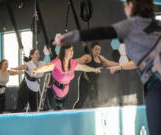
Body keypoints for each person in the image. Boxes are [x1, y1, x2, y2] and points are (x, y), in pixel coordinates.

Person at [53, 0, 161, 134]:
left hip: (155, 86)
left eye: (125, 6)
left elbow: (100, 32)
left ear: (131, 5)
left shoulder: (131, 25)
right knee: (82, 101)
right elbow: (139, 62)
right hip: (88, 81)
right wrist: (120, 67)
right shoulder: (157, 25)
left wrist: (67, 37)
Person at [30, 43, 101, 110]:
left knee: (64, 114)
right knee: (52, 115)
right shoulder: (57, 62)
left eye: (72, 50)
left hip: (65, 94)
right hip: (53, 93)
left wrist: (94, 69)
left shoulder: (72, 63)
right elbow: (47, 67)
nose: (72, 52)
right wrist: (36, 71)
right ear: (64, 51)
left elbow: (83, 67)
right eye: (69, 50)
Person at [74, 40, 119, 108]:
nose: (98, 51)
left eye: (99, 49)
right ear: (92, 49)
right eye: (96, 49)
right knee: (81, 101)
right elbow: (77, 61)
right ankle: (73, 116)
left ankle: (94, 116)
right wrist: (65, 61)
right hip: (85, 81)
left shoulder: (101, 58)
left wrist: (121, 64)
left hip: (93, 83)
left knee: (95, 102)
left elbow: (109, 63)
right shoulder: (87, 57)